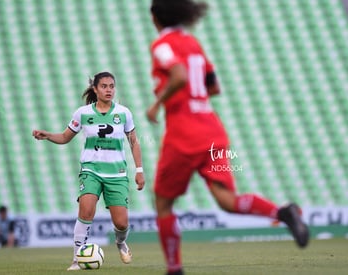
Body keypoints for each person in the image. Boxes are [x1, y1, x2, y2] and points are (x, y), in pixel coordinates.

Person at [145, 1, 309, 274]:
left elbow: (180, 75)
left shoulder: (162, 45)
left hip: (183, 134)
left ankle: (174, 268)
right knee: (227, 200)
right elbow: (214, 86)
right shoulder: (193, 43)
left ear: (155, 17)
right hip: (211, 130)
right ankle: (282, 212)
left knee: (163, 202)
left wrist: (157, 103)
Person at [32, 71, 145, 271]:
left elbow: (134, 142)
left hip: (117, 173)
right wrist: (48, 135)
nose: (109, 90)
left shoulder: (124, 113)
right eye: (104, 86)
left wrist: (139, 170)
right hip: (91, 170)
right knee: (86, 210)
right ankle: (77, 258)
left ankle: (120, 242)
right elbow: (65, 137)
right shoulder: (82, 113)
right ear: (95, 89)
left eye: (111, 86)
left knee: (121, 223)